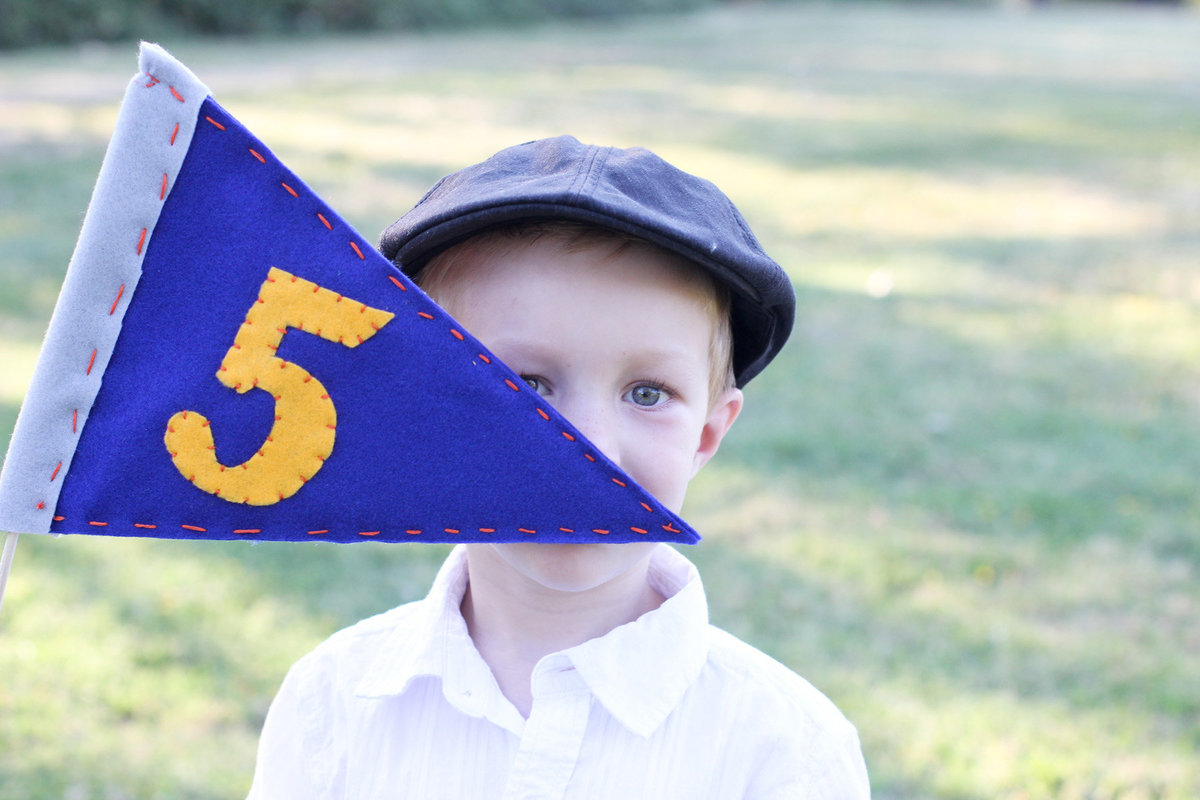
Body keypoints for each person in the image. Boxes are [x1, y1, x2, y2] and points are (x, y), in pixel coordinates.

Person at [246, 136, 870, 799]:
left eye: (647, 393)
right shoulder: (333, 700)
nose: (592, 446)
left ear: (707, 434)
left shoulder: (786, 750)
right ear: (428, 411)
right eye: (528, 386)